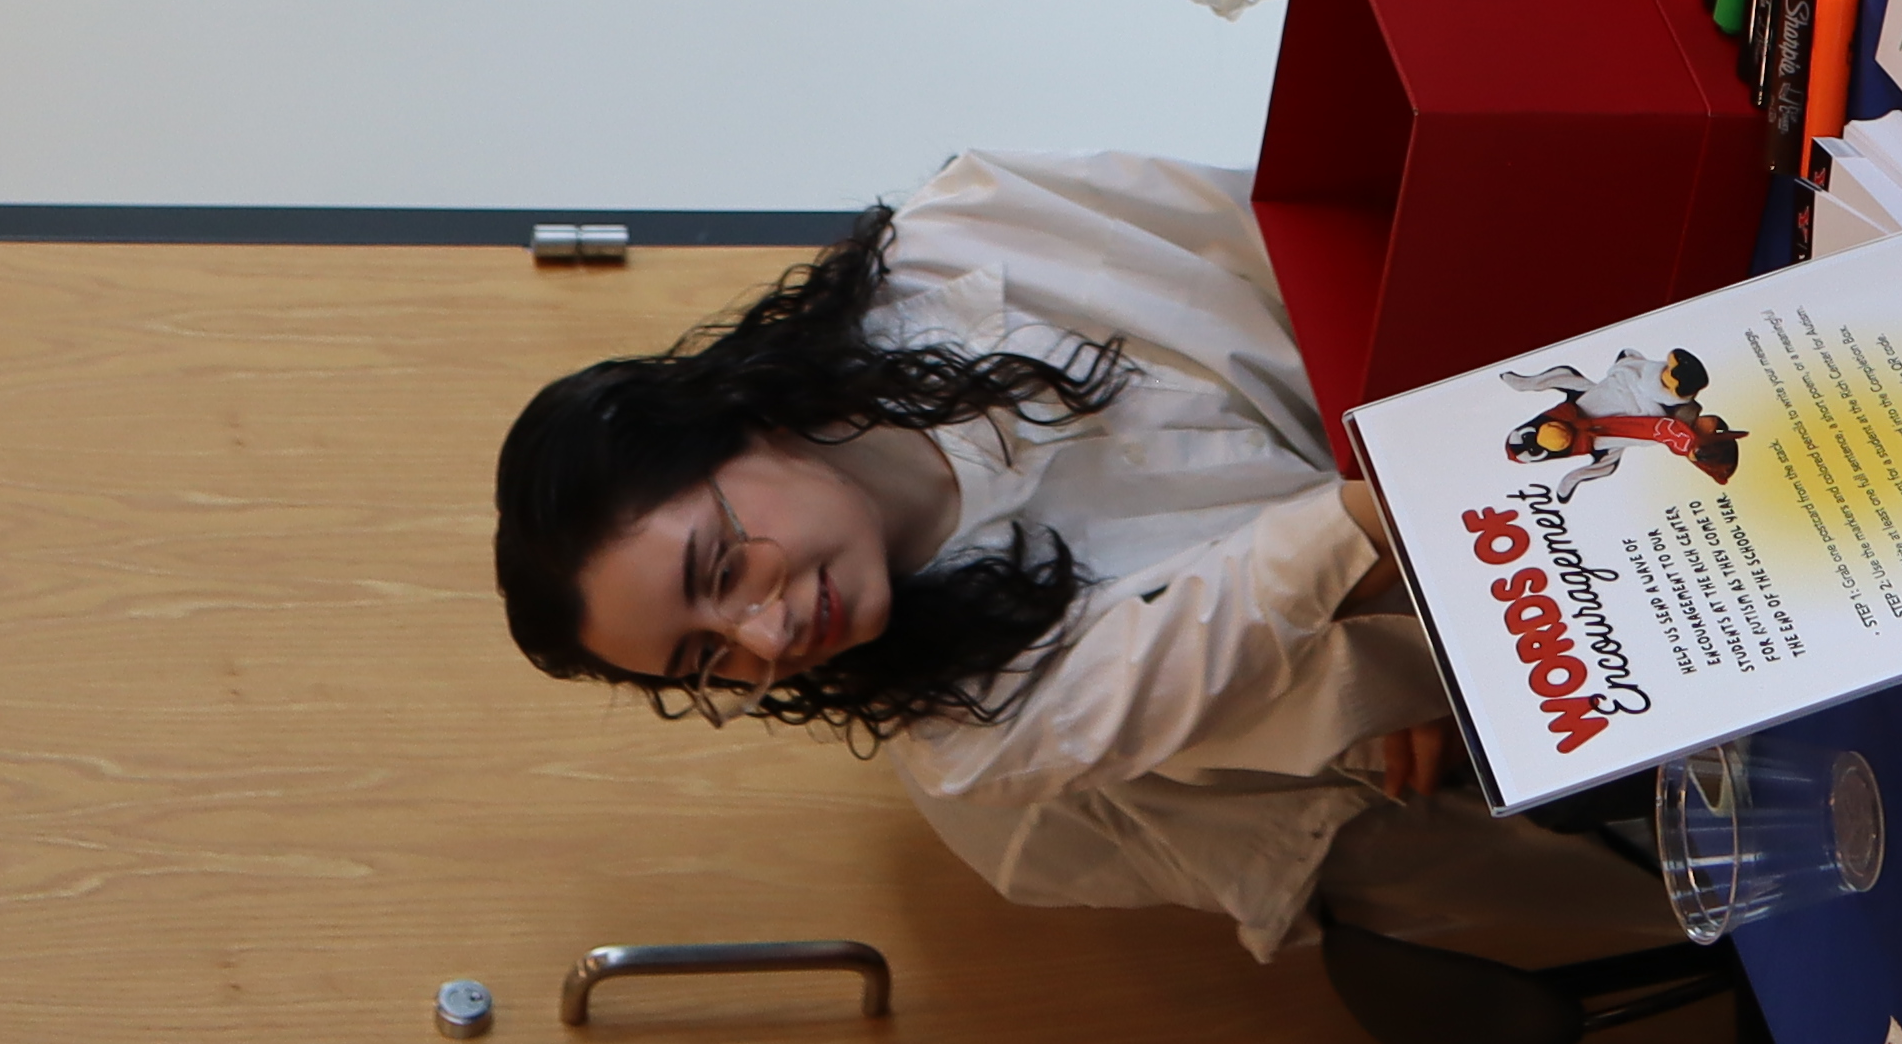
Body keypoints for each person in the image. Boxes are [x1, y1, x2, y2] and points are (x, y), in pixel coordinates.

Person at [497, 151, 1679, 970]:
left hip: (1539, 348)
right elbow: (1272, 595)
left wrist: (1384, 556)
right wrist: (1377, 597)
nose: (764, 636)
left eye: (719, 568)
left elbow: (1293, 230)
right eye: (707, 658)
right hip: (1599, 602)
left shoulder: (962, 232)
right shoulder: (970, 732)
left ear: (731, 418)